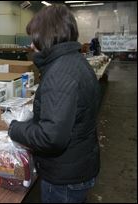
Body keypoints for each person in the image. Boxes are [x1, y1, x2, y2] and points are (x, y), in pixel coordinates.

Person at [8, 4, 101, 203]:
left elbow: (51, 138)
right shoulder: (75, 61)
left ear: (47, 35)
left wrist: (15, 129)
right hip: (80, 164)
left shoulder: (59, 73)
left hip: (64, 176)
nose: (31, 45)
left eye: (34, 37)